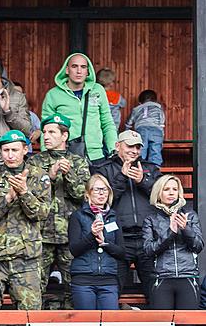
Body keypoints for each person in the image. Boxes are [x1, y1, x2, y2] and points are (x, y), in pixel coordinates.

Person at [0, 130, 51, 310]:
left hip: (26, 257)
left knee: (30, 314)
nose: (10, 155)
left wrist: (24, 193)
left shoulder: (39, 177)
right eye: (5, 150)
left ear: (25, 150)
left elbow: (42, 214)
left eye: (14, 150)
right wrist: (7, 199)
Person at [27, 113, 90, 308]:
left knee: (75, 286)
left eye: (52, 132)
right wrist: (51, 176)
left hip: (70, 236)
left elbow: (82, 194)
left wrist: (69, 173)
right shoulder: (34, 162)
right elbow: (29, 194)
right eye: (44, 132)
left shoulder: (78, 162)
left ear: (64, 136)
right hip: (41, 234)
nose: (46, 136)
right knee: (35, 287)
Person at [92, 129, 160, 297]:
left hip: (147, 238)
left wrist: (142, 181)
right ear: (117, 146)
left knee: (156, 291)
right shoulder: (104, 169)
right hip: (118, 238)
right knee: (112, 291)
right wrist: (122, 177)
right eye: (130, 146)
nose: (134, 151)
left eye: (138, 147)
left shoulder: (150, 169)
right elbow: (102, 201)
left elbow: (163, 195)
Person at [41, 52, 116, 163]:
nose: (79, 71)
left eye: (83, 67)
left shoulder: (98, 90)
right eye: (74, 66)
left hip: (96, 155)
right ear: (67, 70)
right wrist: (45, 155)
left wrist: (113, 149)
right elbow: (46, 128)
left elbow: (107, 122)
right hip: (66, 156)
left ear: (88, 71)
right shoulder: (53, 94)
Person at [143, 175, 203, 310]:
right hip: (161, 277)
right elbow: (148, 250)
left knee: (188, 322)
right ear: (159, 193)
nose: (171, 192)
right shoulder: (151, 219)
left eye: (175, 189)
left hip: (188, 276)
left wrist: (185, 229)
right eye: (166, 189)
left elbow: (198, 246)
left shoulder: (190, 215)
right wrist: (170, 232)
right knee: (162, 323)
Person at [67, 174, 125, 310]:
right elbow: (74, 250)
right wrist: (91, 235)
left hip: (109, 280)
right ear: (88, 193)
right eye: (97, 189)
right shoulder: (78, 216)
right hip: (83, 280)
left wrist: (105, 243)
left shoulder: (114, 217)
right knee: (86, 323)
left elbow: (122, 252)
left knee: (110, 322)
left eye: (105, 189)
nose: (101, 193)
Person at [125, 89, 166, 167]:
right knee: (155, 149)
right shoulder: (158, 108)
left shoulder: (137, 109)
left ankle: (139, 166)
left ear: (140, 102)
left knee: (141, 149)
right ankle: (155, 168)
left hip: (141, 129)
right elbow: (161, 121)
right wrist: (162, 135)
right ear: (155, 100)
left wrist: (127, 132)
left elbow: (129, 122)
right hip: (156, 130)